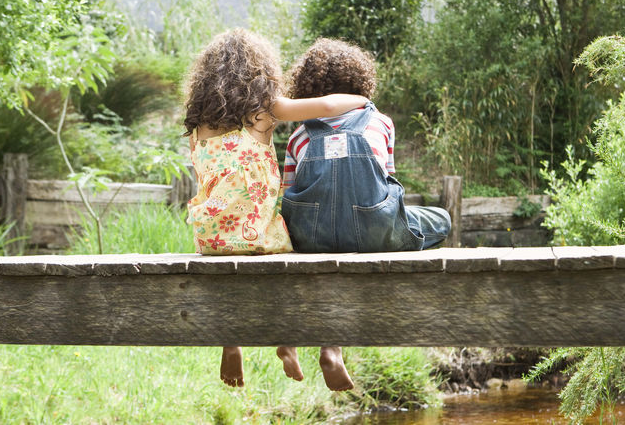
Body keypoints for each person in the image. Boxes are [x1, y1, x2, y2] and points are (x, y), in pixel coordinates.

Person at [183, 29, 368, 389]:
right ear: (260, 72)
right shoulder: (265, 112)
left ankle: (231, 340)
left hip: (211, 235)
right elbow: (329, 106)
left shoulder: (199, 126)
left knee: (231, 272)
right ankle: (289, 341)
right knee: (290, 265)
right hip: (257, 230)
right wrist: (361, 100)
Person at [277, 39, 453, 390]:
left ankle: (300, 339)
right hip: (373, 232)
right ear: (360, 82)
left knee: (329, 248)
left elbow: (288, 194)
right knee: (441, 220)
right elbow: (388, 185)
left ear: (306, 87)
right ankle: (332, 347)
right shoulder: (381, 123)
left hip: (313, 238)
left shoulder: (298, 136)